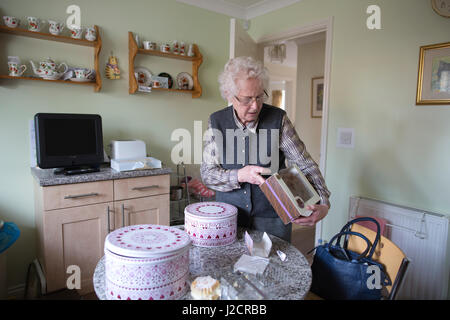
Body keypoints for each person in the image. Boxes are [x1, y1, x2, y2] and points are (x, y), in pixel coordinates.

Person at [200, 56, 330, 242]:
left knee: (275, 268)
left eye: (259, 97)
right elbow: (207, 174)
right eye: (246, 99)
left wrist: (323, 203)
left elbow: (304, 163)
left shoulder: (279, 119)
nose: (255, 106)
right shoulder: (217, 121)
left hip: (273, 218)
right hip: (229, 218)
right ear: (229, 95)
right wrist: (239, 175)